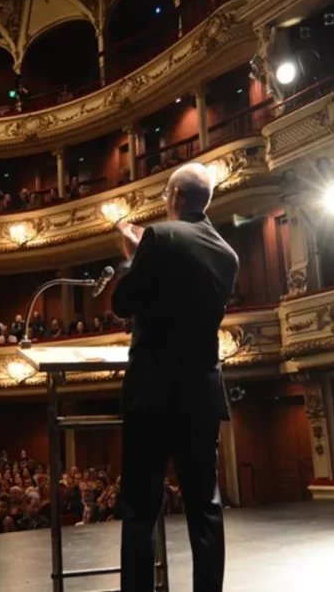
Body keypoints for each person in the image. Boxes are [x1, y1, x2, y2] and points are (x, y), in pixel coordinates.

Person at [111, 163, 238, 592]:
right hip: (201, 394)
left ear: (177, 197)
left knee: (141, 510)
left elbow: (123, 303)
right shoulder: (227, 253)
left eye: (167, 197)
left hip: (153, 393)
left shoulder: (159, 237)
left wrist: (133, 253)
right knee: (206, 506)